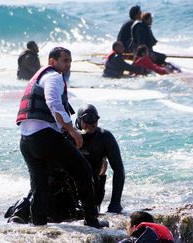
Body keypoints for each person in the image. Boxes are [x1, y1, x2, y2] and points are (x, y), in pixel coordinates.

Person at [16, 46, 105, 228]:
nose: (68, 65)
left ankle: (38, 224)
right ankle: (91, 220)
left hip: (26, 141)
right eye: (65, 61)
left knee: (39, 184)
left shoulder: (39, 77)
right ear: (52, 62)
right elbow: (53, 102)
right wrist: (71, 130)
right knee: (83, 170)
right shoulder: (54, 77)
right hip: (44, 138)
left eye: (70, 61)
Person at [75, 104, 125, 213]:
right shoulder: (71, 135)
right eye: (87, 120)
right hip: (73, 182)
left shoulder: (105, 137)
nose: (91, 124)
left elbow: (118, 169)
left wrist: (115, 203)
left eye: (94, 120)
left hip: (95, 184)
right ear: (78, 121)